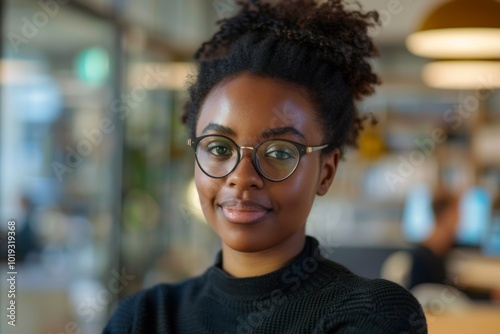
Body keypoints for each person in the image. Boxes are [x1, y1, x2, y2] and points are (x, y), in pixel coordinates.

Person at [103, 0, 427, 333]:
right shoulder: (145, 317)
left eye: (279, 152)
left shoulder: (372, 313)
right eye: (218, 148)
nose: (242, 178)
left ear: (326, 171)